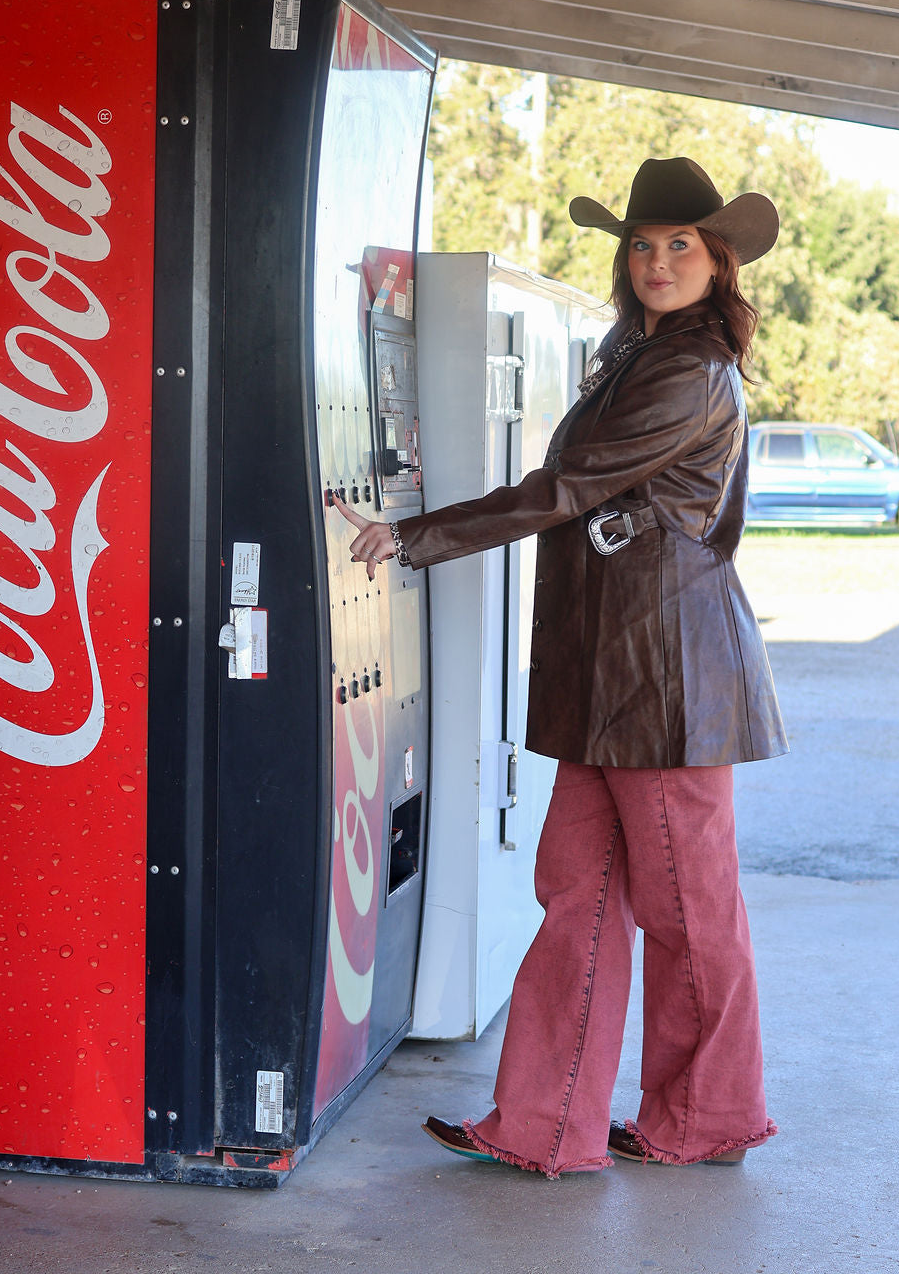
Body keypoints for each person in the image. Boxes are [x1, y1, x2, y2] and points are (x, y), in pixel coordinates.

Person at [333, 156, 787, 1177]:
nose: (655, 261)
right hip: (605, 675)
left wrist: (416, 535)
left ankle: (709, 1113)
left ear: (717, 264)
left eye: (680, 246)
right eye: (640, 245)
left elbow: (565, 487)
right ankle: (543, 1124)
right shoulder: (637, 356)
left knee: (685, 911)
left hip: (667, 682)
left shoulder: (685, 371)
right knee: (573, 893)